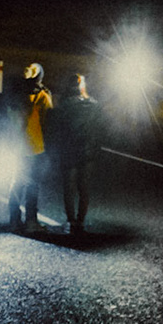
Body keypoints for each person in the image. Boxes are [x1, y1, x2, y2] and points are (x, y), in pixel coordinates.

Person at [49, 73, 106, 235]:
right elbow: (102, 127)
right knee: (84, 188)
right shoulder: (95, 105)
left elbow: (56, 128)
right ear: (82, 86)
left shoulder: (64, 106)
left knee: (69, 187)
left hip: (69, 151)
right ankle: (80, 221)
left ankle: (71, 221)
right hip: (88, 151)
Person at [10, 63, 53, 232]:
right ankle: (31, 222)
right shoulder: (42, 95)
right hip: (35, 146)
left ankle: (14, 221)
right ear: (40, 77)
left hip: (15, 145)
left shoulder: (15, 94)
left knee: (16, 183)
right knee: (33, 184)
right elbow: (48, 120)